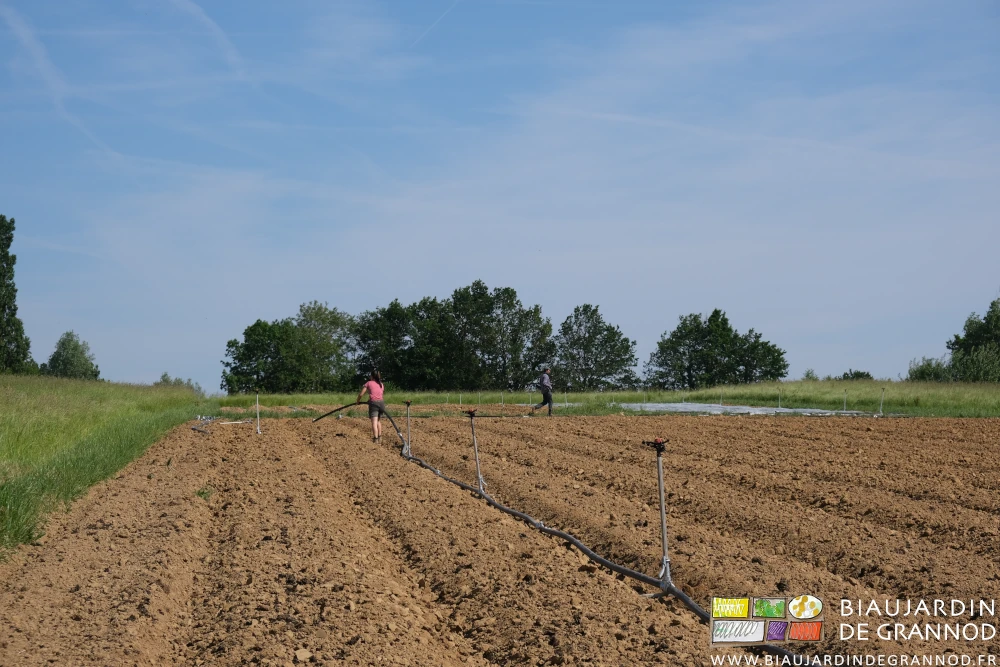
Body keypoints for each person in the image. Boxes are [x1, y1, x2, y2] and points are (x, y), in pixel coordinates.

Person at [357, 369, 386, 442]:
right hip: (381, 403)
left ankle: (375, 439)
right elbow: (378, 394)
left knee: (374, 422)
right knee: (378, 421)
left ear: (372, 376)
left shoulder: (368, 383)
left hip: (374, 404)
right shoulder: (381, 384)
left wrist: (358, 401)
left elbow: (361, 394)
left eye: (370, 375)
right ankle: (380, 437)